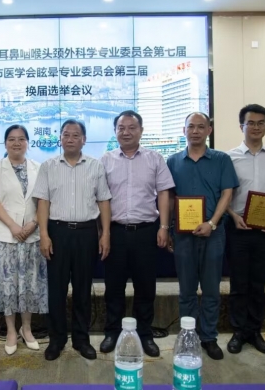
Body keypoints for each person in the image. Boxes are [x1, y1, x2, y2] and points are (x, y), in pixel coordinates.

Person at [32, 119, 112, 361]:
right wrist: (44, 235)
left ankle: (81, 339)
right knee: (56, 290)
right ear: (60, 138)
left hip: (87, 233)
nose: (70, 139)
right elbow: (42, 202)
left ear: (83, 139)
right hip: (57, 232)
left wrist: (105, 233)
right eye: (66, 134)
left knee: (83, 289)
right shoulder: (48, 166)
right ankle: (56, 340)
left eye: (75, 135)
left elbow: (103, 201)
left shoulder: (95, 166)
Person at [99, 110, 174, 358]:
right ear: (115, 131)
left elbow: (164, 193)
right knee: (113, 287)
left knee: (145, 287)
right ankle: (112, 332)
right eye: (121, 128)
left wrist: (164, 227)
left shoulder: (155, 159)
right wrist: (104, 232)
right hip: (116, 232)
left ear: (141, 131)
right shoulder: (106, 160)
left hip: (146, 231)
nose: (126, 132)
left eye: (132, 127)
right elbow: (100, 199)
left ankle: (145, 334)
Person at [166, 112, 239, 361]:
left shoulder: (221, 159)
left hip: (213, 234)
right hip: (183, 236)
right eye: (191, 127)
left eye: (200, 127)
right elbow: (168, 197)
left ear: (209, 130)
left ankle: (208, 337)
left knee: (210, 290)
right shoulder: (173, 161)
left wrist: (212, 223)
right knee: (186, 291)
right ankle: (188, 338)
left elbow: (227, 194)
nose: (195, 131)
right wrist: (169, 228)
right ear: (183, 130)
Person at [225, 104, 265, 355]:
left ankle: (254, 331)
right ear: (241, 126)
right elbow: (224, 195)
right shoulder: (229, 157)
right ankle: (238, 331)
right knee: (239, 283)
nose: (256, 127)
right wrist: (233, 215)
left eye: (260, 123)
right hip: (238, 228)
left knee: (258, 283)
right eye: (250, 123)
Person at [0, 125, 47, 355]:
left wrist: (33, 223)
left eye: (21, 139)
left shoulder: (39, 168)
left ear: (28, 142)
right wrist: (12, 225)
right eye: (11, 139)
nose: (16, 143)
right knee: (8, 285)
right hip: (5, 236)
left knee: (29, 284)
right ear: (5, 143)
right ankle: (11, 330)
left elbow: (44, 200)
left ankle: (26, 329)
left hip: (31, 235)